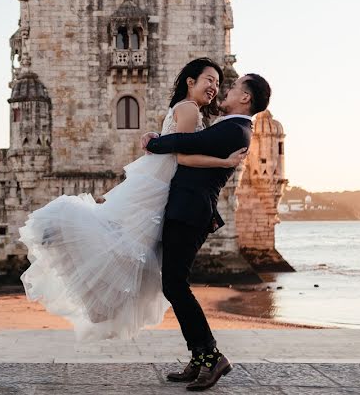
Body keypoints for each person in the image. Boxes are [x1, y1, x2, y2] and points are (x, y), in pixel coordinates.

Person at [18, 58, 246, 342]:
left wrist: (155, 139)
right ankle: (105, 303)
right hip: (160, 185)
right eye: (209, 80)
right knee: (129, 247)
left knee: (124, 243)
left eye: (218, 82)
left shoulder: (186, 109)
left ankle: (101, 302)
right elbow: (184, 155)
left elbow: (174, 145)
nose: (215, 87)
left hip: (156, 180)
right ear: (191, 81)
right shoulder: (189, 109)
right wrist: (223, 161)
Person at [142, 72, 271, 391]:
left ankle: (211, 357)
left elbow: (188, 144)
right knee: (174, 283)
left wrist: (154, 142)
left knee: (175, 283)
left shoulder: (236, 129)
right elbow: (192, 150)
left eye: (233, 87)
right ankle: (200, 357)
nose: (225, 90)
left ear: (245, 98)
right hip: (187, 208)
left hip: (190, 210)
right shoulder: (233, 128)